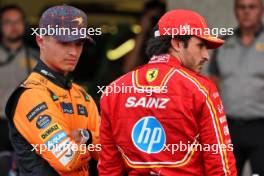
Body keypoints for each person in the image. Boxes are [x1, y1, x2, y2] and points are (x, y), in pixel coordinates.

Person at [98, 9, 237, 176]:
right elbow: (220, 162)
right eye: (200, 46)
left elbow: (108, 168)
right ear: (177, 43)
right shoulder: (201, 89)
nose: (206, 55)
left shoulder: (114, 90)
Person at [5, 5, 100, 176]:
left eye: (79, 43)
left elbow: (110, 151)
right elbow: (67, 159)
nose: (73, 52)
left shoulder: (83, 96)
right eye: (64, 43)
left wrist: (86, 136)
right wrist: (92, 143)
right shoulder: (31, 94)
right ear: (40, 40)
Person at [208, 0, 264, 175]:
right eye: (242, 7)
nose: (246, 12)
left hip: (261, 127)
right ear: (235, 11)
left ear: (261, 10)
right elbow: (213, 83)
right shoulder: (223, 43)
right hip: (229, 128)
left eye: (252, 7)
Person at [0, 5, 39, 176]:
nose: (13, 26)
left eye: (17, 21)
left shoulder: (38, 57)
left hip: (29, 128)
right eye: (8, 22)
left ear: (25, 25)